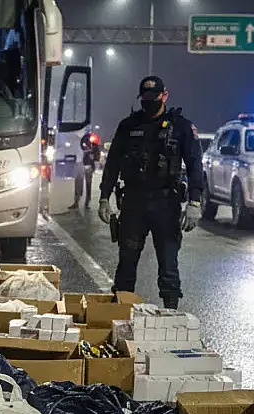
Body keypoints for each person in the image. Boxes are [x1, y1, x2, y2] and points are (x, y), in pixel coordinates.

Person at [97, 76, 204, 309]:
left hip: (166, 204)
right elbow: (112, 164)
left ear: (164, 96)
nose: (149, 102)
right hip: (133, 203)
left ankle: (171, 314)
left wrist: (195, 202)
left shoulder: (181, 127)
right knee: (127, 264)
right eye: (145, 98)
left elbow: (195, 165)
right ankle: (121, 315)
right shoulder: (128, 126)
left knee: (168, 265)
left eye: (154, 97)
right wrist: (104, 197)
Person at [71, 127, 101, 209]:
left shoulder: (89, 139)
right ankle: (80, 201)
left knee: (84, 183)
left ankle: (82, 202)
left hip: (87, 164)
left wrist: (94, 160)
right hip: (82, 164)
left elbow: (96, 152)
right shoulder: (80, 138)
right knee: (81, 183)